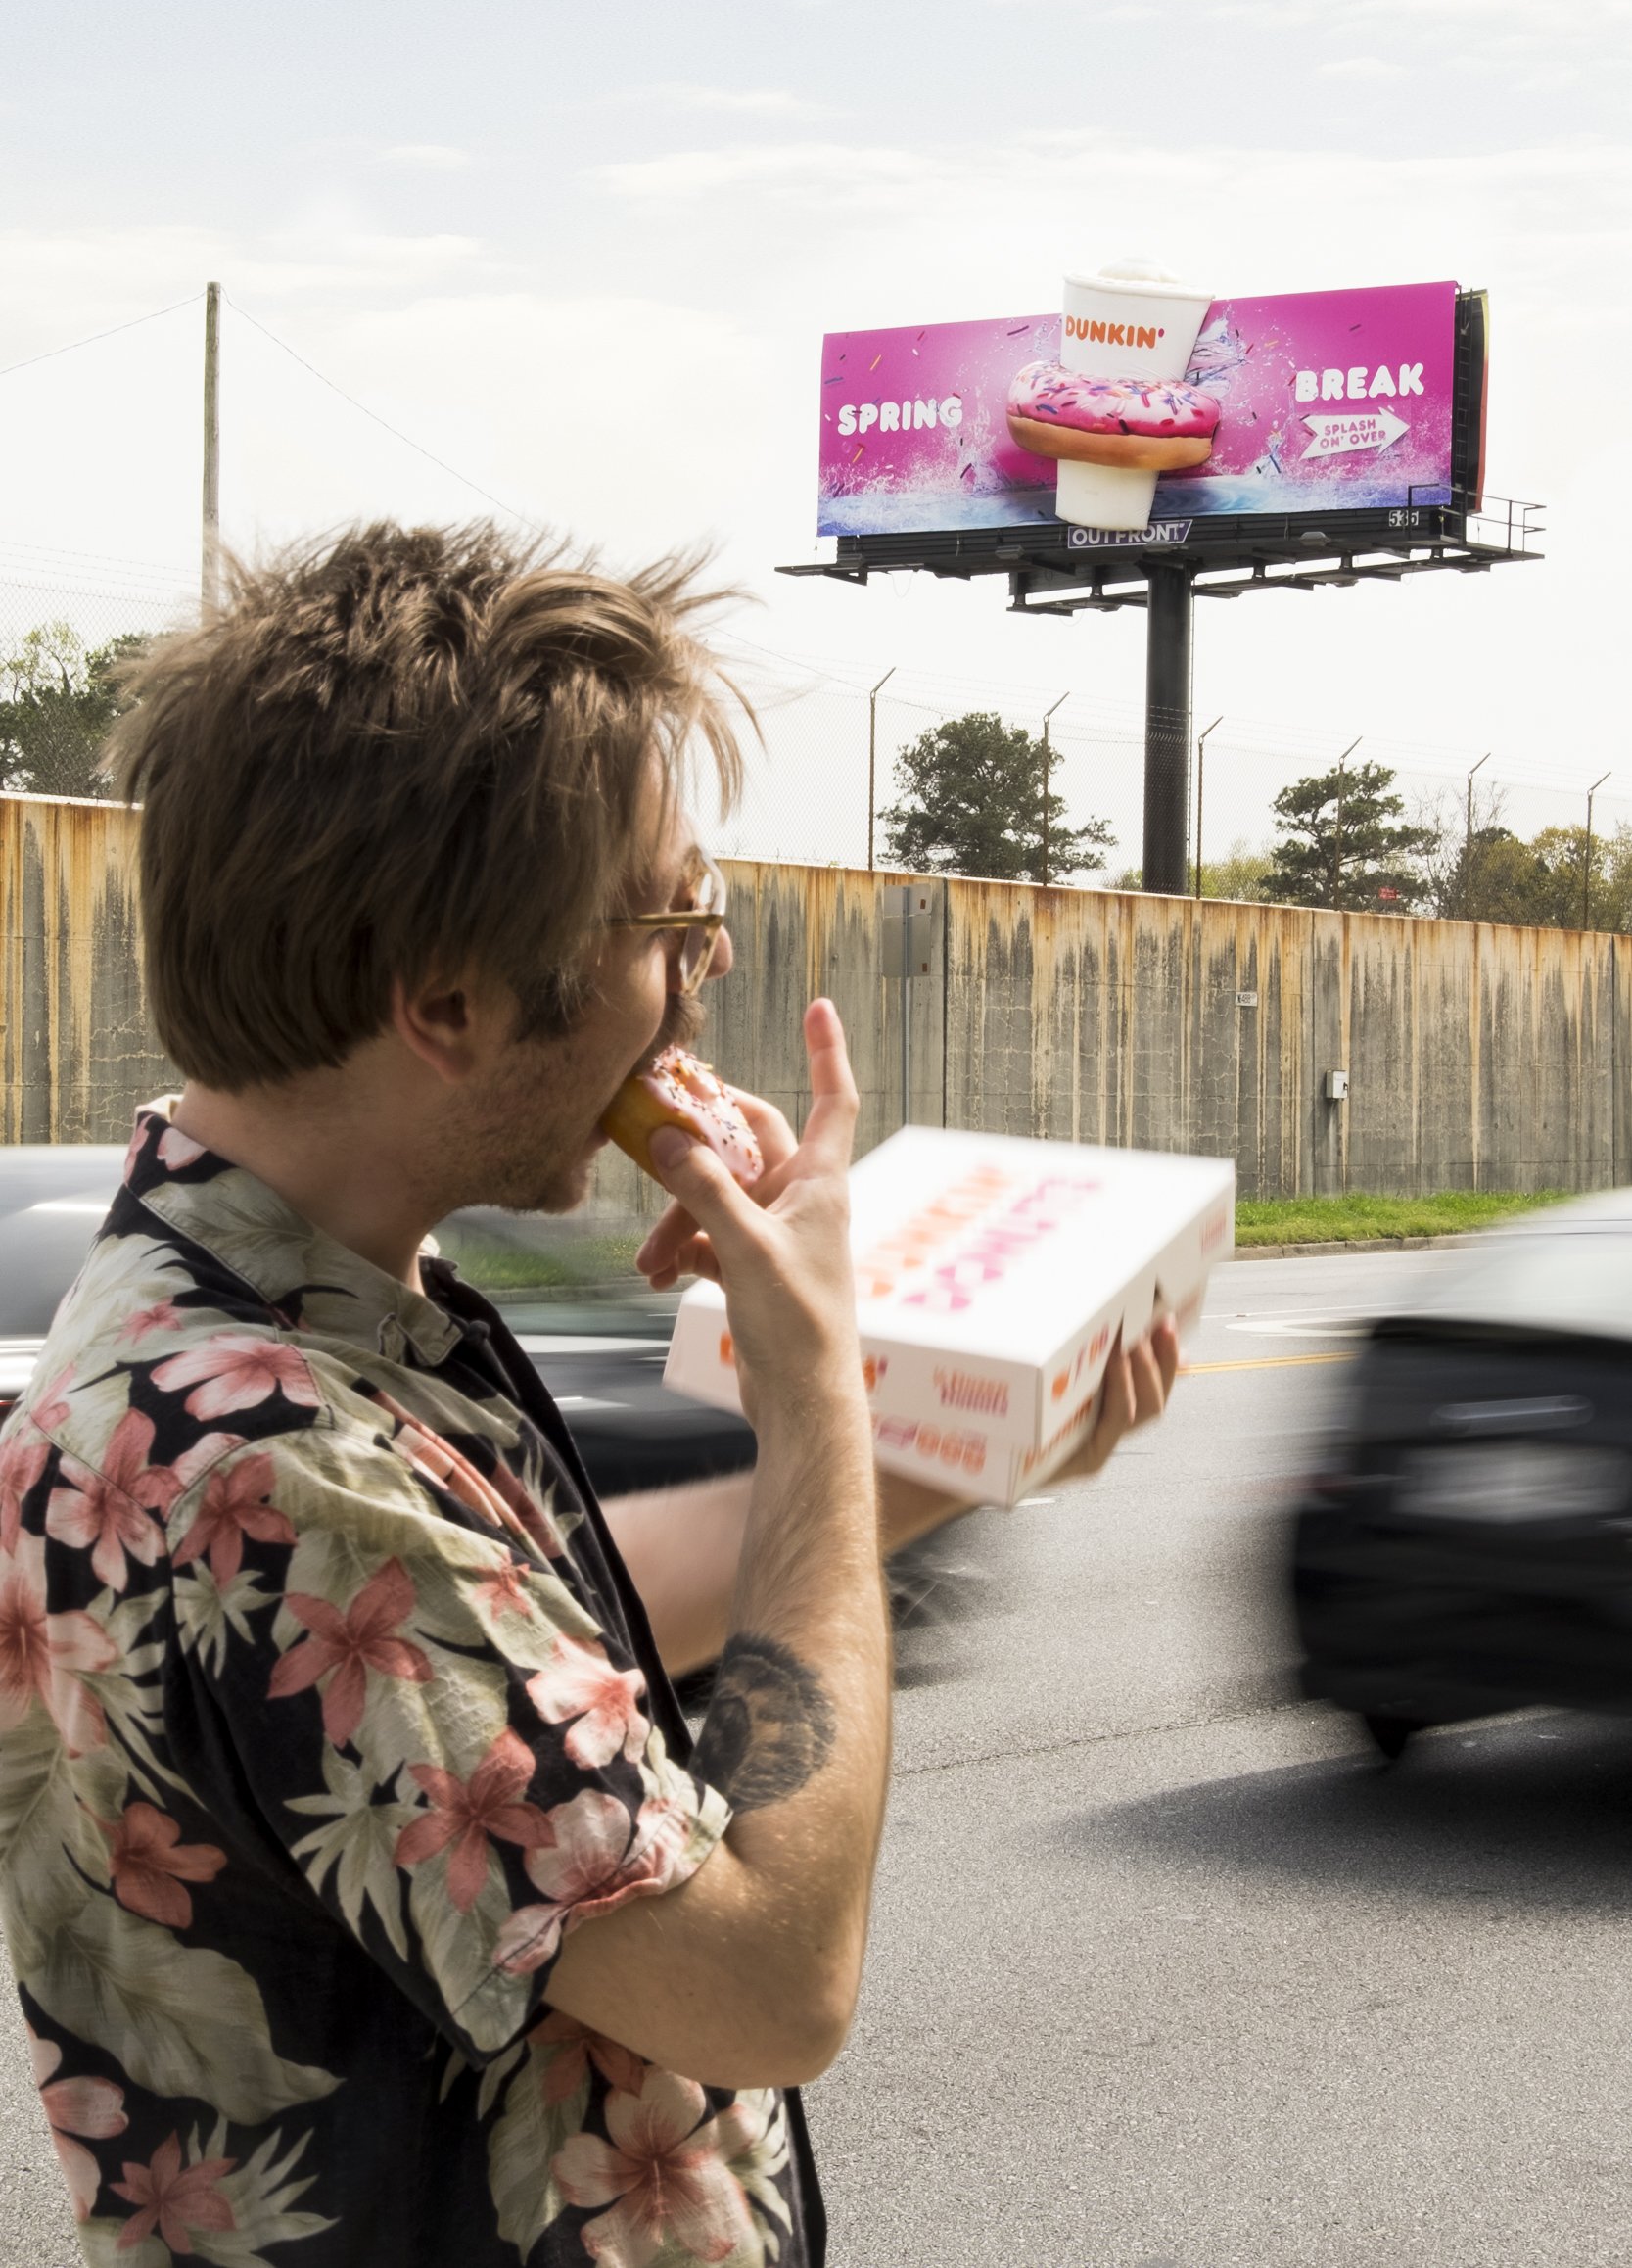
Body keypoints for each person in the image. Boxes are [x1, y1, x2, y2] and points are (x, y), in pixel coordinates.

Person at [0, 522, 1178, 2267]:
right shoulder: (267, 1459)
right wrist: (817, 1401)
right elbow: (768, 1983)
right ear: (447, 1003)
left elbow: (532, 1667)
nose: (707, 970)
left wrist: (944, 1452)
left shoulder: (273, 1314)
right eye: (674, 921)